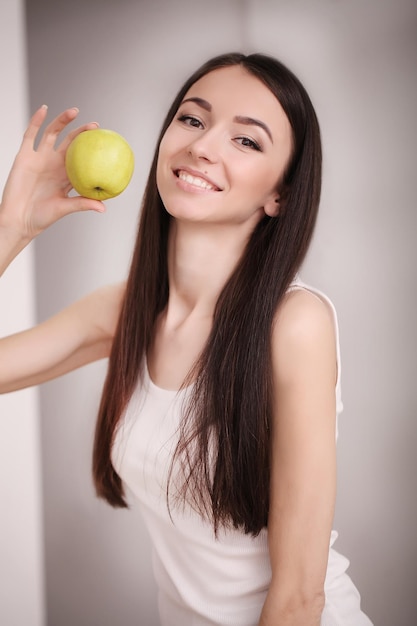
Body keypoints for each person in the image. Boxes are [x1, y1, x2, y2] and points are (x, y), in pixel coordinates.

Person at [0, 52, 373, 626]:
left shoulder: (294, 323)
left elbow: (300, 598)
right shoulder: (124, 311)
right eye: (193, 120)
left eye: (247, 142)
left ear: (279, 195)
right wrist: (10, 228)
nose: (202, 146)